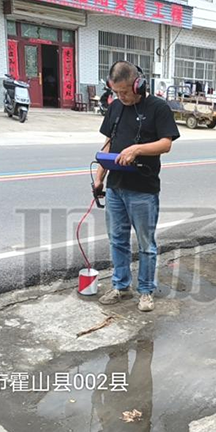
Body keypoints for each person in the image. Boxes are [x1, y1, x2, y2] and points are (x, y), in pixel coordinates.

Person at [92, 62, 180, 312]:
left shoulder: (158, 108)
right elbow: (109, 143)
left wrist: (137, 149)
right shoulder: (116, 107)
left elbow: (165, 144)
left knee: (145, 244)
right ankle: (121, 286)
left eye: (125, 92)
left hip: (143, 190)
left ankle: (146, 291)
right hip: (115, 188)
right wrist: (100, 177)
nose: (121, 97)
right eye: (116, 92)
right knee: (117, 240)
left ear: (139, 84)